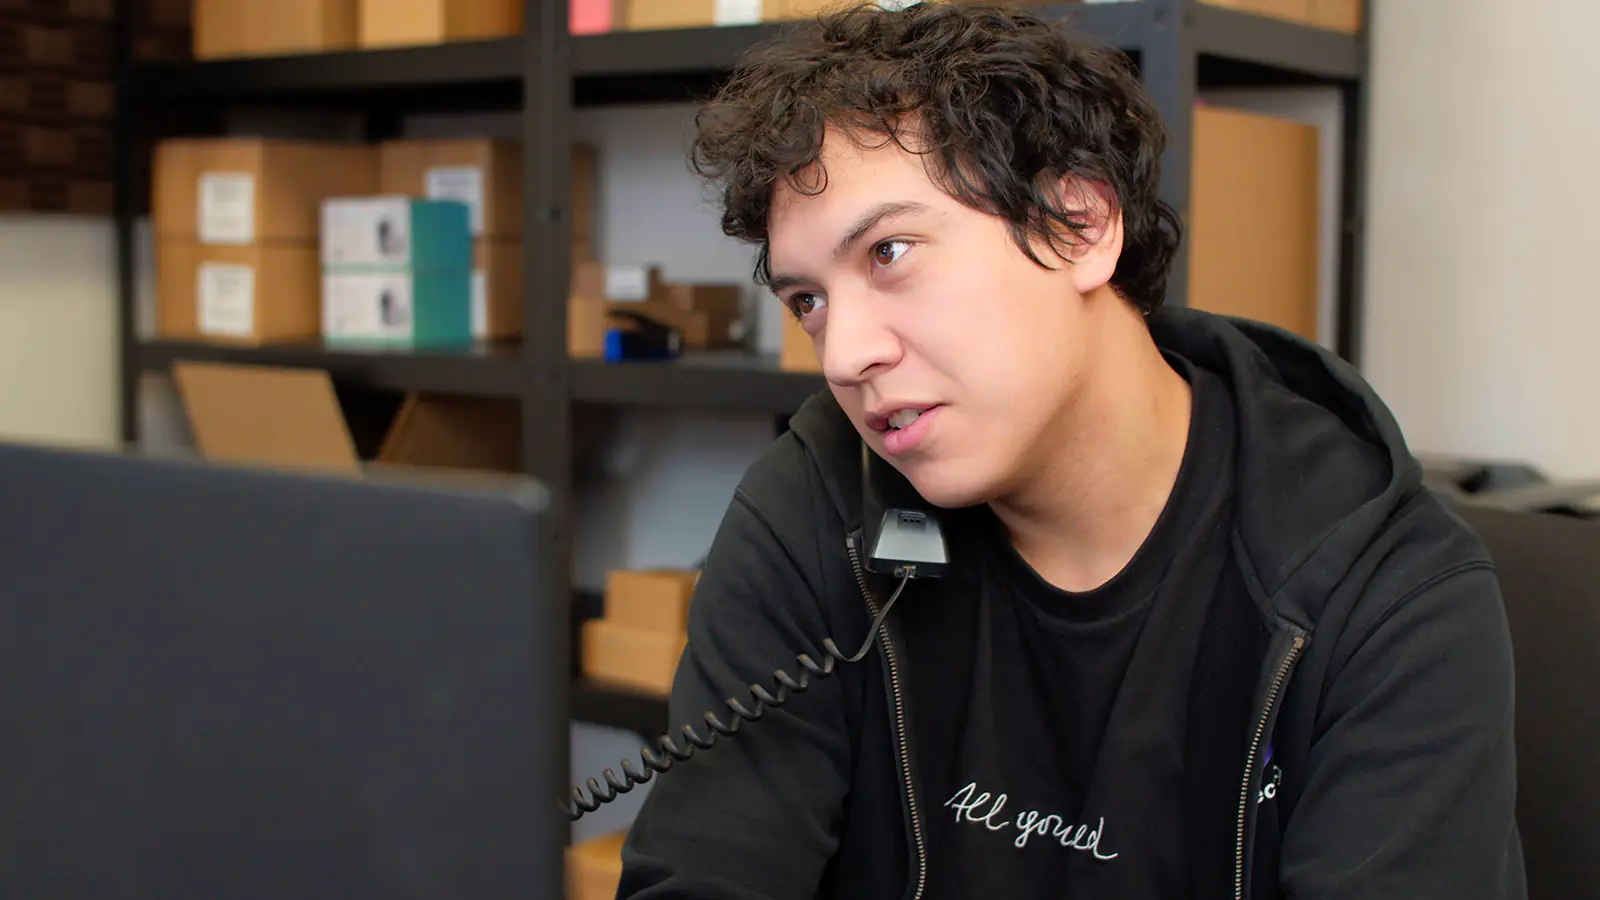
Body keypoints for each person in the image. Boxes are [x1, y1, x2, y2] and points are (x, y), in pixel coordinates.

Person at [610, 3, 1526, 898]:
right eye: (808, 299)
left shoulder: (1388, 593)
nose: (845, 354)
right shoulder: (817, 504)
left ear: (1079, 226)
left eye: (889, 251)